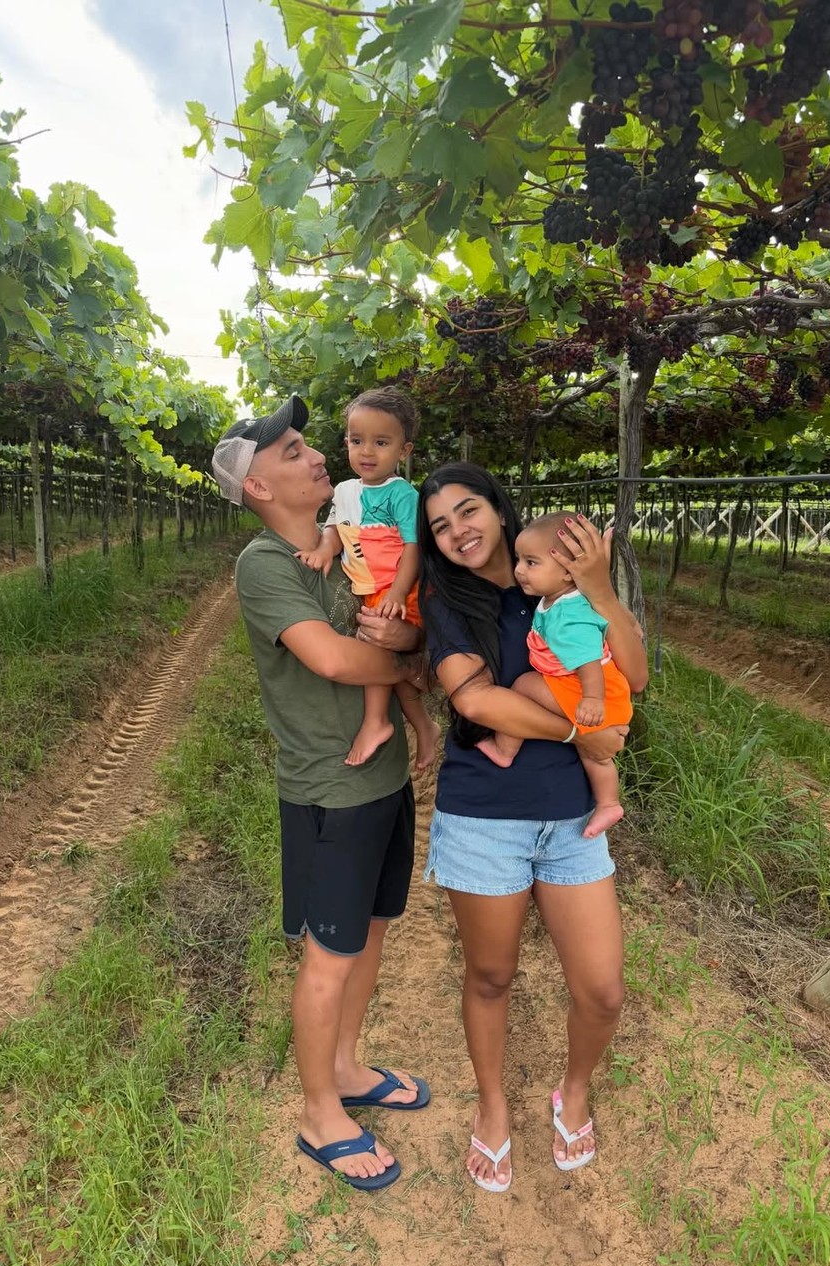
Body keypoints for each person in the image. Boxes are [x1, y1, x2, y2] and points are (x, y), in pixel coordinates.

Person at [211, 394, 431, 1192]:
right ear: (259, 487)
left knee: (369, 932)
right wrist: (410, 667)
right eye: (296, 450)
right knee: (328, 956)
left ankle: (345, 1065)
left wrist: (409, 647)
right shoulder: (265, 565)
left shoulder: (348, 550)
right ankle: (318, 1113)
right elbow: (336, 662)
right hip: (327, 790)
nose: (318, 457)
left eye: (313, 444)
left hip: (382, 778)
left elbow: (402, 623)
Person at [413, 462, 648, 1192]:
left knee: (603, 990)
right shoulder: (444, 599)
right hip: (484, 816)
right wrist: (585, 735)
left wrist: (603, 588)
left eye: (469, 510)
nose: (459, 531)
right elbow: (478, 704)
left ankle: (571, 1092)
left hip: (572, 819)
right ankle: (491, 1108)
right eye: (441, 525)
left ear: (501, 508)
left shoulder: (555, 579)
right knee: (490, 974)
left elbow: (633, 677)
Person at [295, 386, 440, 772]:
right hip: (369, 588)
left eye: (381, 442)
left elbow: (412, 549)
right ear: (346, 442)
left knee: (375, 650)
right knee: (392, 664)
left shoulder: (402, 494)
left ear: (404, 451)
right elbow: (333, 528)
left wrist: (396, 591)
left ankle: (376, 722)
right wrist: (325, 551)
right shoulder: (344, 491)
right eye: (357, 441)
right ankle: (424, 727)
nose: (367, 452)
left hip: (396, 588)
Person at [475, 510, 634, 839]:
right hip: (597, 691)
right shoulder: (557, 600)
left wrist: (592, 699)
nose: (519, 570)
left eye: (531, 563)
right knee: (592, 752)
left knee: (521, 685)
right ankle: (608, 803)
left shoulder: (566, 616)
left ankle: (506, 748)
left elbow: (588, 660)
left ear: (567, 573)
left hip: (594, 692)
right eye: (519, 559)